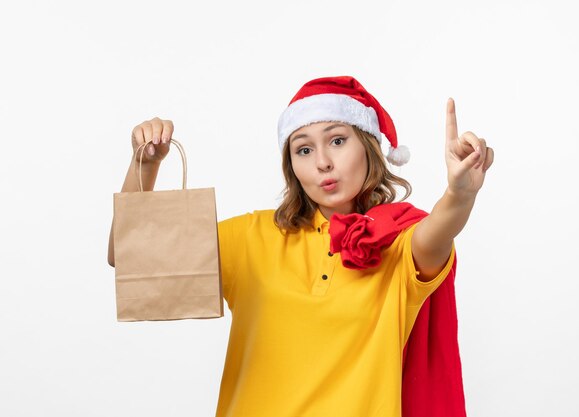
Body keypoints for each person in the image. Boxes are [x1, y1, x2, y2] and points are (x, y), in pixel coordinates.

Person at [107, 76, 494, 417]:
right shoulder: (252, 236)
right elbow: (129, 257)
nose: (322, 162)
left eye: (337, 141)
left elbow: (439, 230)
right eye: (303, 149)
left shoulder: (398, 242)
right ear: (292, 166)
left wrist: (459, 194)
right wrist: (146, 166)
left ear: (369, 147)